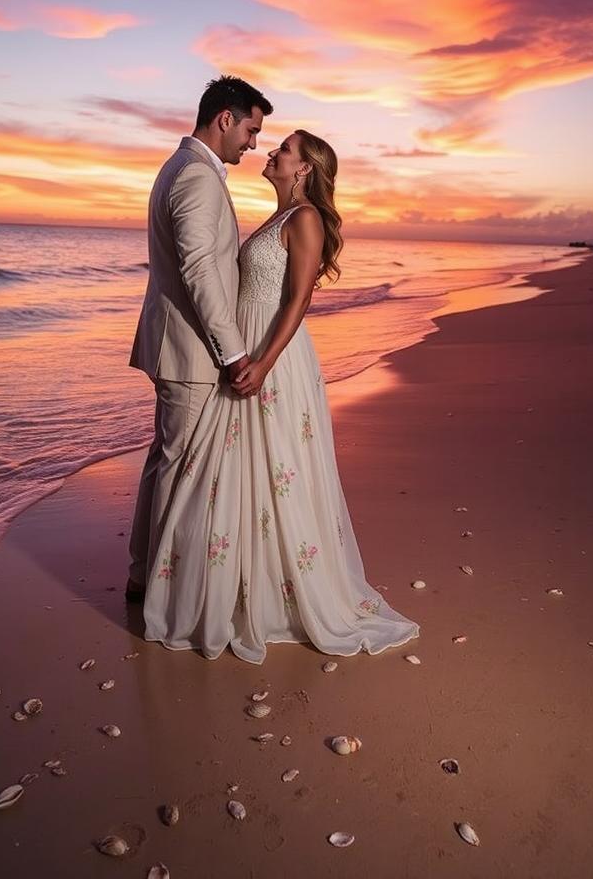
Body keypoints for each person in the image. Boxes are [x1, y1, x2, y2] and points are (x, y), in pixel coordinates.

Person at [142, 129, 420, 663]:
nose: (270, 152)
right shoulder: (275, 218)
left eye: (284, 150)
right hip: (247, 347)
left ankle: (272, 587)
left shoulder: (307, 219)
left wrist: (264, 363)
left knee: (275, 468)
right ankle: (237, 579)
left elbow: (299, 300)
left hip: (274, 356)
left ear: (304, 170)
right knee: (233, 469)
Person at [126, 75, 274, 599]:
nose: (254, 143)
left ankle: (145, 573)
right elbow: (198, 270)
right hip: (188, 350)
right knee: (179, 467)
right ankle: (162, 589)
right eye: (252, 130)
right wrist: (233, 351)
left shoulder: (184, 167)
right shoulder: (195, 176)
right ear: (225, 119)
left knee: (165, 460)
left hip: (176, 344)